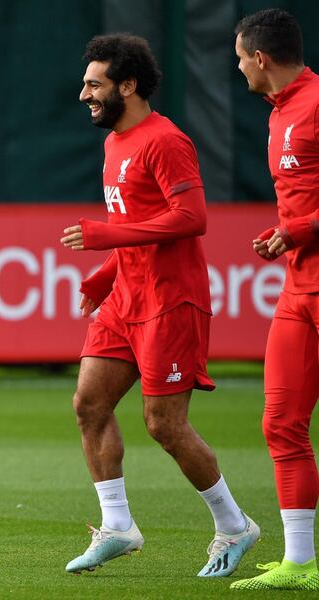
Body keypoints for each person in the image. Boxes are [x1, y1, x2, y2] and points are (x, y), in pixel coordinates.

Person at [60, 33, 258, 577]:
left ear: (128, 86)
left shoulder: (165, 140)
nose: (84, 95)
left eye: (94, 85)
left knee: (163, 423)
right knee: (88, 403)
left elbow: (192, 218)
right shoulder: (113, 143)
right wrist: (104, 275)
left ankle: (235, 525)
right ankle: (118, 526)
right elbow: (133, 226)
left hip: (171, 301)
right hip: (127, 295)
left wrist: (104, 240)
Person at [230, 9, 319, 591]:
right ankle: (300, 562)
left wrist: (301, 228)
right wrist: (286, 235)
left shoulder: (316, 104)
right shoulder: (280, 114)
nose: (238, 69)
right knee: (281, 421)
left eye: (240, 58)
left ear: (261, 58)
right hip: (298, 288)